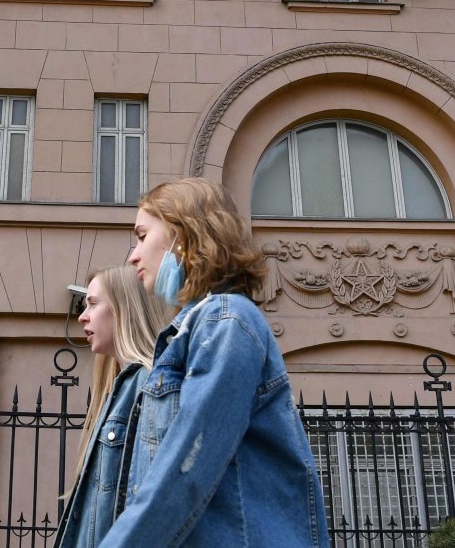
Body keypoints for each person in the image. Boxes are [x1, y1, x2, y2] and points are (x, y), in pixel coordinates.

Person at [99, 177, 329, 547]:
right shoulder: (197, 326)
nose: (133, 255)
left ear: (184, 236)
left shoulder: (225, 319)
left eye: (142, 236)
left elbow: (187, 464)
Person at [53, 264, 176, 548]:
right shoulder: (119, 389)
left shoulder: (150, 386)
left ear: (124, 309)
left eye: (93, 304)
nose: (82, 316)